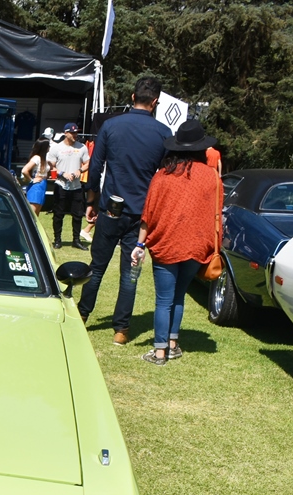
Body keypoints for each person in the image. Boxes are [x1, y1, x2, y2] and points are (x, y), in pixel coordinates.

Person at [78, 76, 172, 346]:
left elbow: (95, 167)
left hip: (111, 208)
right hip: (141, 214)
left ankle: (83, 315)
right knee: (130, 273)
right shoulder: (164, 133)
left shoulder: (111, 125)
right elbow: (165, 177)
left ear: (133, 97)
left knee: (96, 267)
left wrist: (91, 201)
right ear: (154, 102)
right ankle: (121, 329)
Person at [131, 120, 222, 365]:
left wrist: (139, 246)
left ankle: (160, 352)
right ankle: (172, 344)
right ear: (201, 148)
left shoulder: (163, 176)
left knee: (163, 299)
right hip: (196, 245)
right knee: (179, 295)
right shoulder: (211, 177)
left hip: (166, 244)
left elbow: (147, 215)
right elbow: (215, 212)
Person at [47, 122, 89, 250]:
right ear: (66, 133)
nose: (75, 134)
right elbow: (51, 166)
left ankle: (76, 240)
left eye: (76, 132)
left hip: (76, 186)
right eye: (72, 132)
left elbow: (87, 163)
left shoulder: (82, 147)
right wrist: (61, 173)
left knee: (77, 214)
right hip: (61, 185)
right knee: (58, 213)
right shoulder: (56, 148)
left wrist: (80, 171)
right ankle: (57, 240)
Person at [19, 136, 51, 216]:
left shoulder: (44, 158)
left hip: (42, 184)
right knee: (32, 213)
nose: (49, 147)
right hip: (36, 186)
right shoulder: (37, 158)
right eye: (48, 146)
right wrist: (31, 180)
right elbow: (24, 170)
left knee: (37, 213)